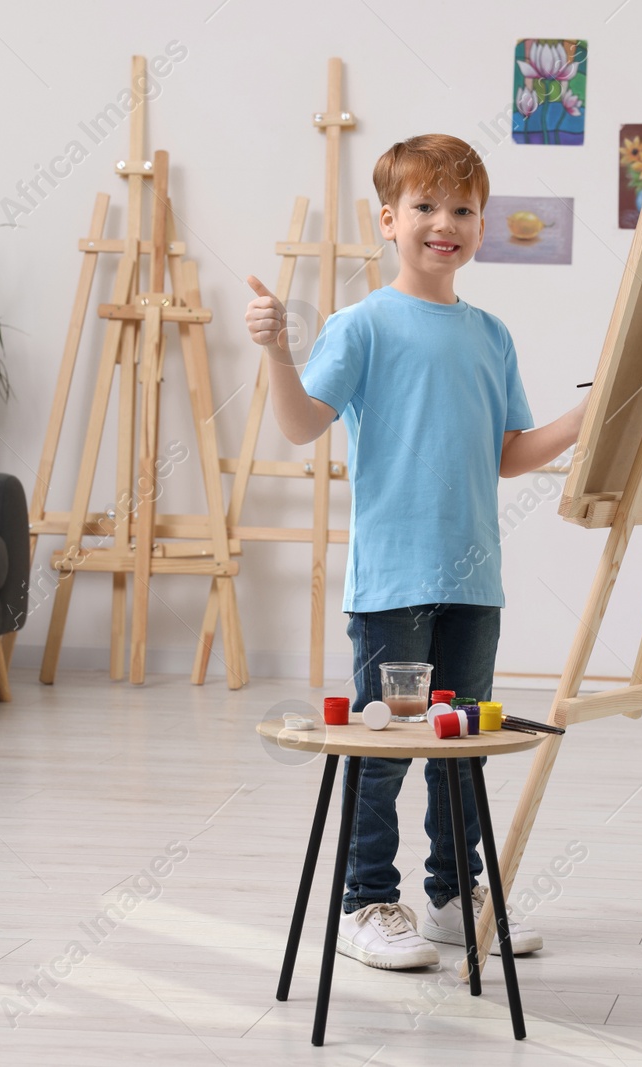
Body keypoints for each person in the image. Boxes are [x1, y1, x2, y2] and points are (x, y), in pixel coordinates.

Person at [245, 133, 584, 969]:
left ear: (482, 225)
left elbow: (508, 452)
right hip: (393, 583)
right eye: (426, 207)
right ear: (388, 220)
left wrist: (593, 408)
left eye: (463, 208)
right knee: (386, 750)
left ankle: (448, 899)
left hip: (476, 578)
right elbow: (298, 426)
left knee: (459, 749)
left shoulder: (490, 334)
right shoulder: (361, 326)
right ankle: (366, 901)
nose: (446, 223)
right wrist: (276, 350)